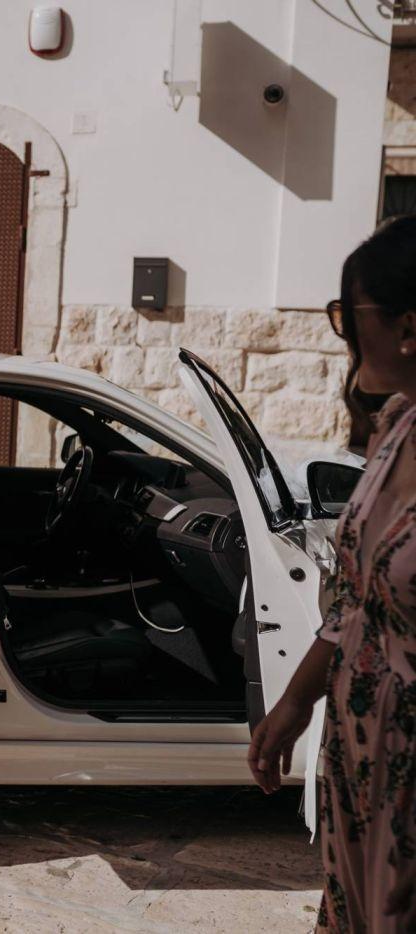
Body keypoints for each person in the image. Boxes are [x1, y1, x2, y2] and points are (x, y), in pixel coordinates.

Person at [247, 216, 416, 933]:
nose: (342, 332)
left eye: (350, 313)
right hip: (360, 766)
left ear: (407, 327)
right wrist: (295, 702)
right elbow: (354, 603)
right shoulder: (396, 427)